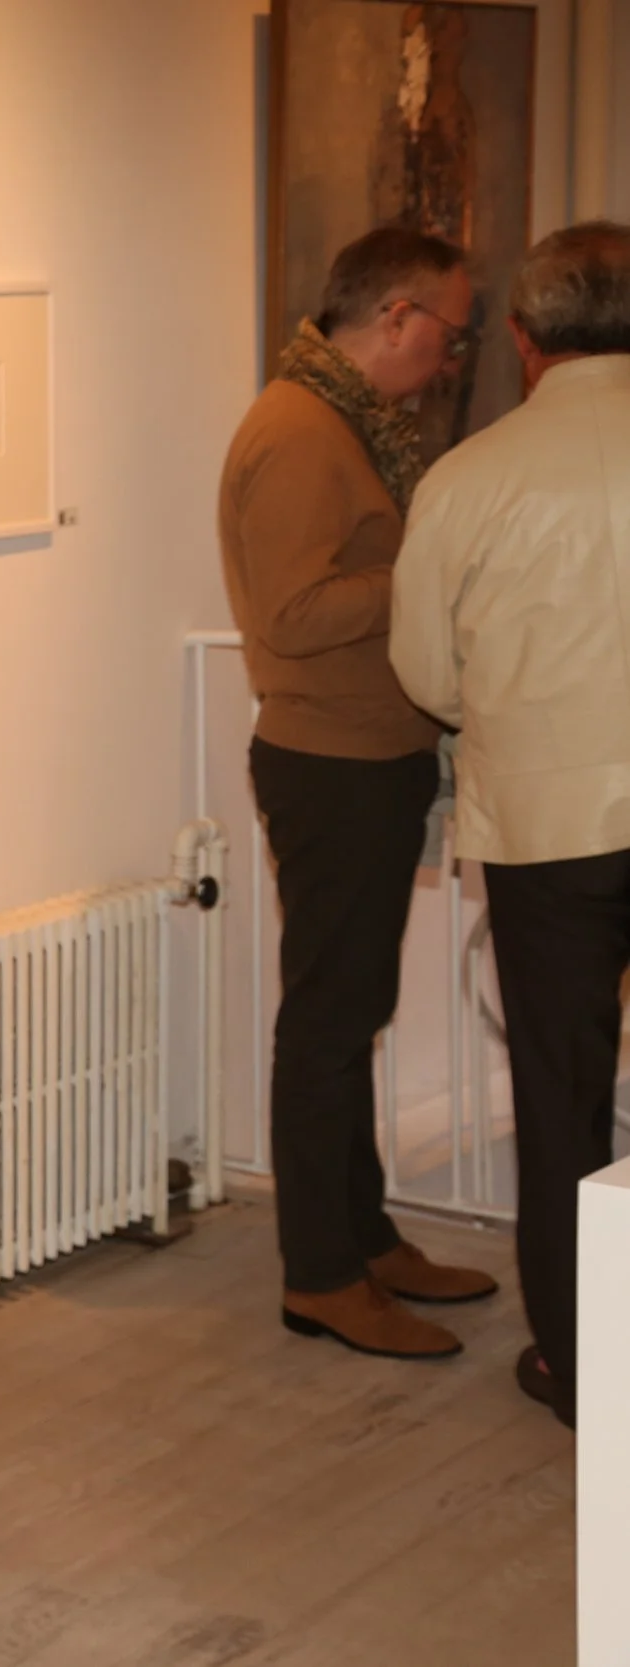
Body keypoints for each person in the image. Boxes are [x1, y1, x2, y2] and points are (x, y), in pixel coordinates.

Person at [216, 226, 499, 1361]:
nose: (448, 357)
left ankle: (364, 1236)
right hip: (331, 764)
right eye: (447, 331)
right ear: (393, 316)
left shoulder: (332, 419)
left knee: (346, 1016)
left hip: (363, 759)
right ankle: (321, 1275)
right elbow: (291, 613)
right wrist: (422, 573)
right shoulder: (295, 431)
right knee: (329, 1026)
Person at [391, 221, 630, 1428]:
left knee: (561, 1098)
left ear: (527, 340)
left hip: (549, 824)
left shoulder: (469, 476)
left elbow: (426, 671)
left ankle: (583, 1361)